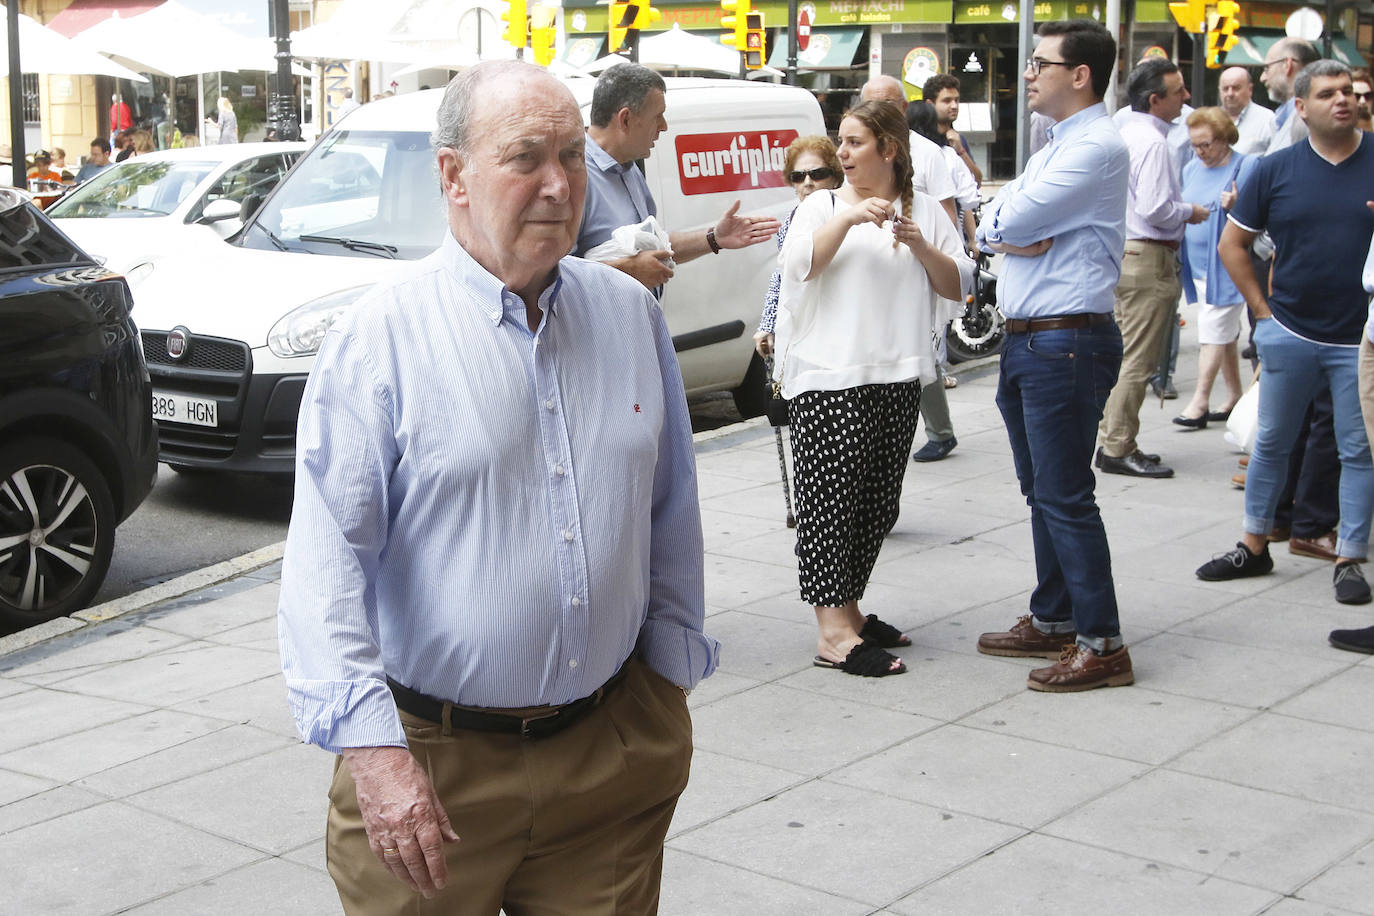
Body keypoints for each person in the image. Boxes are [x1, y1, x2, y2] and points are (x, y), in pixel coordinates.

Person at [277, 60, 717, 914]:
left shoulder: (629, 317)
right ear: (453, 175)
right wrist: (375, 757)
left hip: (609, 758)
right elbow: (326, 568)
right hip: (434, 779)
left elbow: (671, 508)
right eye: (526, 157)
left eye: (573, 155)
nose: (558, 184)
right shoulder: (380, 341)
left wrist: (663, 687)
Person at [773, 99, 971, 678]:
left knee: (876, 504)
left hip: (898, 374)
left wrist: (918, 242)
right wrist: (848, 220)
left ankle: (851, 610)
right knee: (829, 505)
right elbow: (799, 267)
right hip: (830, 379)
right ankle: (832, 631)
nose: (842, 153)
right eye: (841, 141)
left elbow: (958, 284)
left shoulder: (928, 211)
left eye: (855, 142)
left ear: (889, 148)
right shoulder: (820, 207)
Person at [974, 19, 1135, 692]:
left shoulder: (1094, 147)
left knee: (1066, 495)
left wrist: (1002, 229)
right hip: (1033, 338)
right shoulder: (1054, 144)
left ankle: (1102, 644)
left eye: (1041, 63)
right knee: (1042, 491)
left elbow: (1001, 223)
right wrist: (1002, 229)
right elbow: (993, 224)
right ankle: (1055, 616)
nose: (1028, 74)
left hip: (1065, 340)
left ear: (1081, 75)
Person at [1197, 60, 1374, 607]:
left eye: (1347, 92)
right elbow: (1233, 244)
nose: (1341, 101)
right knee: (1271, 444)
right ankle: (1254, 545)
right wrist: (1262, 311)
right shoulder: (1275, 169)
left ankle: (1349, 555)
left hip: (1361, 339)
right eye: (1327, 94)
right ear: (1301, 107)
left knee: (1358, 449)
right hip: (1289, 329)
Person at [1095, 57, 1209, 479]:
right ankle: (1116, 445)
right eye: (1179, 92)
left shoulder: (1128, 132)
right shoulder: (1152, 141)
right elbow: (1157, 208)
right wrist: (1191, 211)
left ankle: (1115, 437)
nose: (1186, 98)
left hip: (1131, 255)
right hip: (1147, 257)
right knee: (1138, 361)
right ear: (1156, 99)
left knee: (1128, 356)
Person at [574, 63, 779, 294]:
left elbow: (656, 249)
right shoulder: (575, 176)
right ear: (626, 119)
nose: (664, 127)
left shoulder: (629, 169)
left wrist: (715, 237)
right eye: (657, 116)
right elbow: (549, 275)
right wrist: (628, 271)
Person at [1173, 106, 1256, 429]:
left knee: (1212, 330)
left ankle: (1199, 401)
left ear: (1224, 139)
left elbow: (1257, 214)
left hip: (1228, 266)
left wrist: (1237, 206)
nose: (1200, 151)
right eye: (1194, 144)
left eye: (1206, 144)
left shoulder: (1246, 166)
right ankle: (1234, 393)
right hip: (1197, 265)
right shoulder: (1192, 168)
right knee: (1224, 334)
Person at [906, 99, 979, 463]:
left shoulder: (929, 154)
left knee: (922, 353)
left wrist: (939, 257)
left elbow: (949, 211)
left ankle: (940, 432)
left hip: (921, 270)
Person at [753, 135, 843, 359]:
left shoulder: (846, 214)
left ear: (835, 177)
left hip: (841, 329)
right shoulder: (791, 223)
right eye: (798, 176)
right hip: (804, 335)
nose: (808, 182)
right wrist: (768, 324)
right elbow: (782, 276)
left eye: (818, 174)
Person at [858, 75, 958, 229]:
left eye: (887, 104)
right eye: (870, 104)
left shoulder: (929, 152)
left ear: (904, 107)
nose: (877, 111)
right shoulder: (853, 152)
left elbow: (948, 219)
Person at [1261, 37, 1320, 154]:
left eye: (1267, 68)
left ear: (1287, 65)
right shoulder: (1281, 118)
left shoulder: (1312, 119)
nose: (1262, 78)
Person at [923, 72, 983, 186]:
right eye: (947, 101)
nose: (954, 106)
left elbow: (977, 181)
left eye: (956, 100)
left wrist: (961, 151)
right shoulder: (921, 139)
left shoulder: (959, 140)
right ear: (930, 104)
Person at [1218, 66, 1276, 154]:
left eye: (1236, 88)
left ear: (1250, 89)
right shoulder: (1209, 120)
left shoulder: (1267, 120)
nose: (1230, 94)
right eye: (1225, 89)